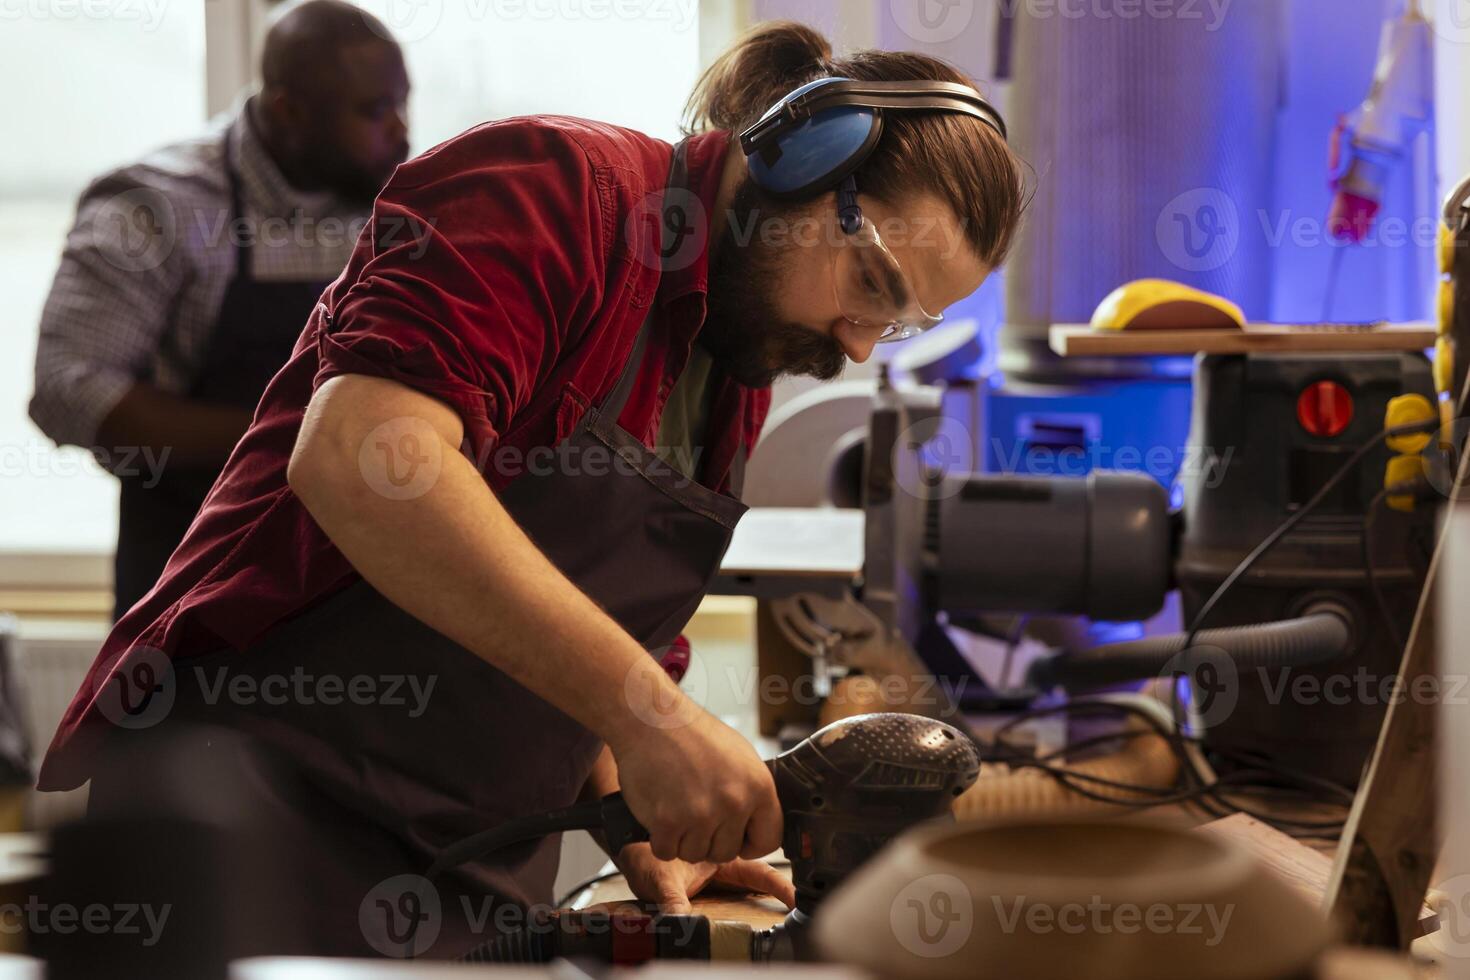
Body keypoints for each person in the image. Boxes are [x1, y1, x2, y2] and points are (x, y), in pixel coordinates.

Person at [39, 21, 1027, 959]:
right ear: (799, 157)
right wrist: (654, 716)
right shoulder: (555, 189)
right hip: (252, 816)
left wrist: (633, 802)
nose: (860, 340)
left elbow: (566, 610)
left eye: (897, 324)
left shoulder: (731, 362)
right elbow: (362, 459)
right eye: (874, 281)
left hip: (466, 867)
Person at [29, 0, 410, 621]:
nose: (400, 129)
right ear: (288, 110)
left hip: (349, 601)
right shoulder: (155, 207)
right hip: (190, 598)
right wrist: (300, 442)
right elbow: (68, 389)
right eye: (373, 111)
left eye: (401, 103)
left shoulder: (389, 205)